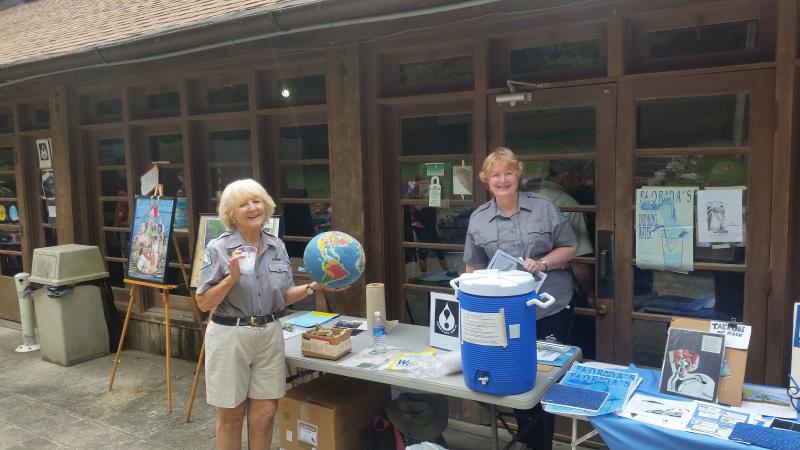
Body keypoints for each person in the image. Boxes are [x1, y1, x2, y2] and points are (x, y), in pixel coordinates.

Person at [196, 178, 326, 450]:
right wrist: (230, 279)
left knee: (265, 415)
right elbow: (204, 303)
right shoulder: (218, 248)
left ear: (266, 206)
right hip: (230, 335)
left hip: (269, 334)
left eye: (257, 201)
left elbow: (283, 296)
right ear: (231, 214)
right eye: (243, 204)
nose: (252, 208)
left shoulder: (276, 245)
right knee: (232, 417)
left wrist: (313, 287)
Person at [463, 147, 577, 450]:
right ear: (487, 180)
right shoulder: (478, 220)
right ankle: (529, 443)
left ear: (518, 173)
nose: (503, 180)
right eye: (496, 175)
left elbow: (569, 246)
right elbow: (473, 269)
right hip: (505, 318)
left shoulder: (544, 207)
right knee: (514, 379)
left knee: (547, 380)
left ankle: (545, 445)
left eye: (508, 172)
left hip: (549, 308)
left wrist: (543, 263)